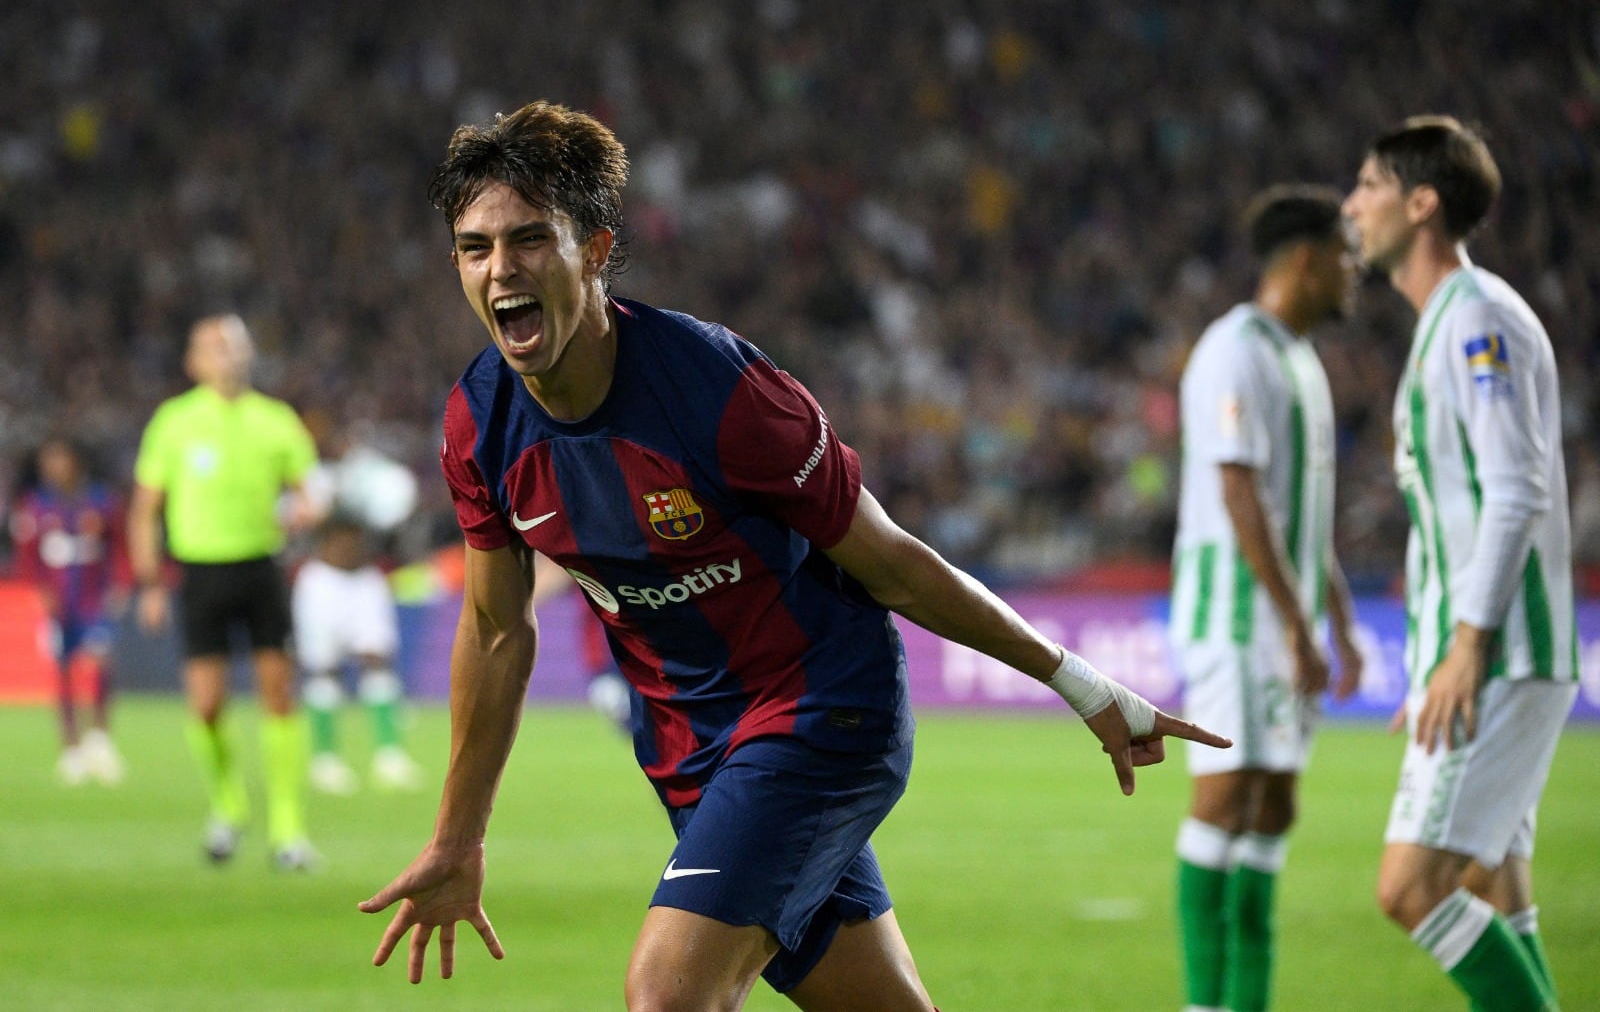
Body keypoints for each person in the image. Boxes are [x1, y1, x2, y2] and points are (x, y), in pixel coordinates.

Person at [358, 100, 1231, 1010]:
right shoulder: (478, 423)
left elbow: (889, 560)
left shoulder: (723, 393)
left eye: (531, 239)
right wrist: (459, 837)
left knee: (667, 996)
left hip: (822, 714)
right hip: (693, 755)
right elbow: (499, 628)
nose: (501, 268)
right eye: (475, 247)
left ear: (598, 248)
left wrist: (1080, 682)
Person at [1343, 115, 1578, 1012]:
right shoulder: (1449, 321)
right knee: (1490, 886)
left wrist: (1468, 644)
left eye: (1368, 185)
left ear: (1422, 201)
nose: (1353, 205)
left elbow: (1518, 488)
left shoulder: (1478, 322)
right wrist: (1445, 641)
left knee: (1411, 887)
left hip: (1506, 649)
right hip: (1488, 648)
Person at [1167, 186, 1366, 1012]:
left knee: (1275, 805)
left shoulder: (1302, 359)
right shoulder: (1233, 349)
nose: (1358, 272)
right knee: (1224, 797)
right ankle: (1206, 1005)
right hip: (1234, 618)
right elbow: (1241, 494)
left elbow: (1298, 514)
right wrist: (1295, 621)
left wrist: (1341, 621)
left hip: (1285, 622)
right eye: (1347, 256)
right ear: (1308, 259)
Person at [127, 314, 323, 870]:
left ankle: (288, 829)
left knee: (279, 696)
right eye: (213, 346)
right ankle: (228, 804)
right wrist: (148, 583)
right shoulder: (174, 422)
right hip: (200, 573)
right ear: (193, 362)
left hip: (262, 568)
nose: (226, 355)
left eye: (234, 345)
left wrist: (309, 506)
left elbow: (311, 488)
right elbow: (145, 510)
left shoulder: (276, 419)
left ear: (248, 354)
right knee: (207, 704)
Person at [295, 414, 425, 795]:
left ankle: (389, 757)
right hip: (324, 582)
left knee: (378, 662)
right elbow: (305, 520)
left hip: (365, 581)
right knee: (323, 670)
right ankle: (326, 760)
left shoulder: (377, 479)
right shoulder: (313, 478)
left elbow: (390, 519)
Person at [9, 435, 130, 786]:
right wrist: (37, 590)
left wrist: (121, 581)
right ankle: (70, 748)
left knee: (100, 658)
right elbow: (27, 555)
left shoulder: (102, 502)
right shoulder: (36, 505)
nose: (54, 468)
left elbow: (119, 545)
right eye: (48, 462)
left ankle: (100, 739)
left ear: (76, 461)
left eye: (60, 460)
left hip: (93, 598)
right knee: (62, 670)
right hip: (59, 600)